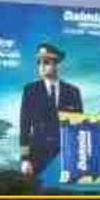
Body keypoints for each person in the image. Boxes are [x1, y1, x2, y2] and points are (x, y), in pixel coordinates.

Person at [18, 42, 84, 180]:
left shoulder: (73, 92)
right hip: (37, 155)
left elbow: (78, 128)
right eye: (39, 62)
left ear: (57, 65)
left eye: (46, 62)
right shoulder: (30, 90)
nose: (41, 66)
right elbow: (24, 126)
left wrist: (78, 158)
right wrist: (24, 158)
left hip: (64, 155)